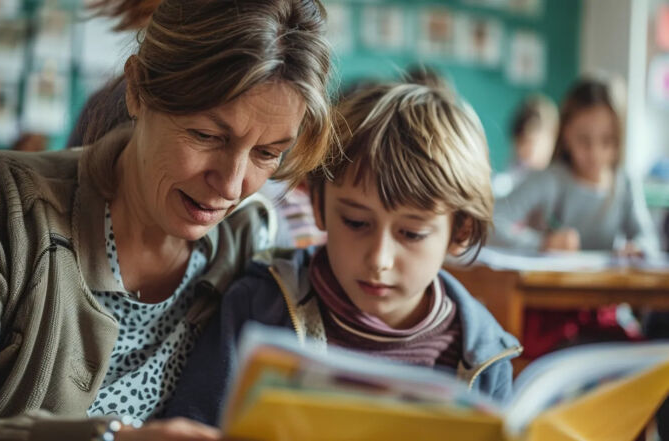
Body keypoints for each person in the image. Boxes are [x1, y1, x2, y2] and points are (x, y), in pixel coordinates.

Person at [0, 0, 334, 439]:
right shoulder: (4, 206)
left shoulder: (249, 239)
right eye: (207, 135)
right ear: (137, 88)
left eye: (267, 153)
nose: (232, 186)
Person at [165, 82, 523, 426]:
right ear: (318, 204)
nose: (379, 259)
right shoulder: (259, 306)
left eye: (411, 233)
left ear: (460, 232)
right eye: (355, 222)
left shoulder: (485, 355)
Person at [491, 78, 658, 254]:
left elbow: (649, 240)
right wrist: (543, 243)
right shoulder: (549, 180)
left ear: (620, 140)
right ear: (565, 134)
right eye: (584, 140)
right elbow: (489, 224)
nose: (595, 153)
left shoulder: (625, 185)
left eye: (607, 141)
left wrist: (639, 248)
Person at [492, 95, 558, 197]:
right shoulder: (506, 183)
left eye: (535, 144)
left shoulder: (559, 184)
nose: (530, 153)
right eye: (524, 143)